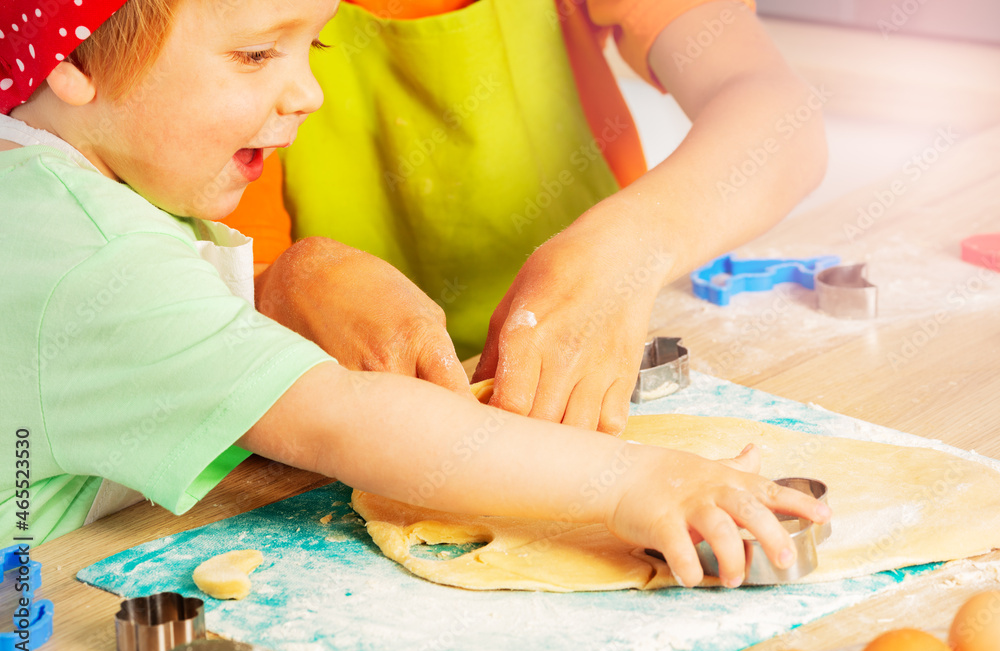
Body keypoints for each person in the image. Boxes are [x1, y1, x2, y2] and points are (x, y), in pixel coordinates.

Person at [0, 0, 829, 590]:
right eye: (258, 54)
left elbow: (777, 116)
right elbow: (335, 415)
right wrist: (640, 485)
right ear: (72, 60)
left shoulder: (48, 179)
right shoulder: (99, 254)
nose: (307, 93)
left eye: (315, 49)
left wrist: (631, 246)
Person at [225, 0, 829, 435]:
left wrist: (634, 244)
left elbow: (781, 119)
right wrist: (274, 284)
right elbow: (174, 280)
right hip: (324, 410)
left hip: (598, 370)